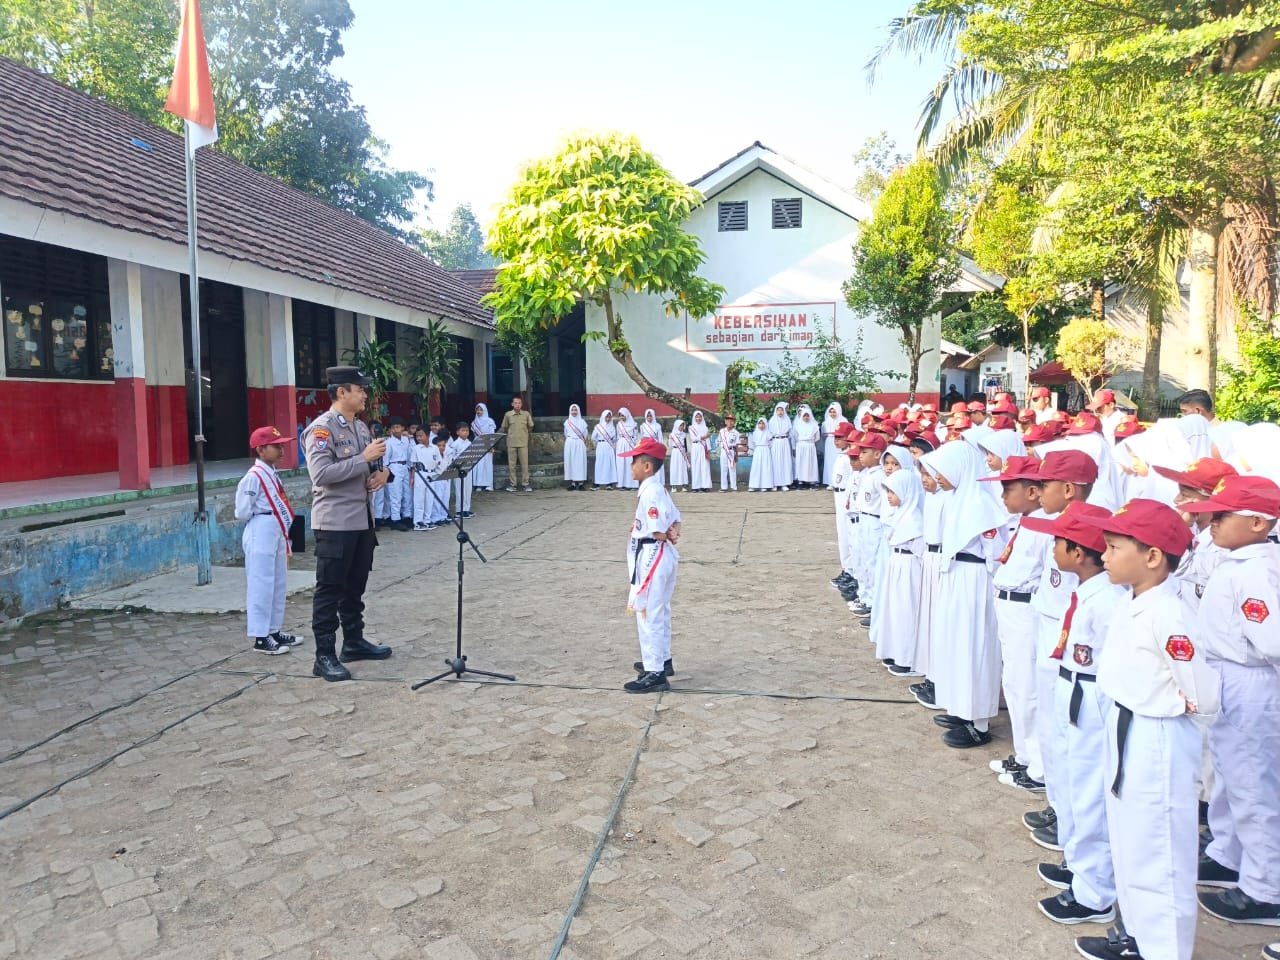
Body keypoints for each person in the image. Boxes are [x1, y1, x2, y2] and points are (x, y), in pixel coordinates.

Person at [1073, 499, 1218, 960]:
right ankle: (1137, 936)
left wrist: (1174, 715)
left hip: (1157, 732)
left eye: (1114, 547)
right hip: (1128, 724)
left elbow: (1202, 692)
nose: (1106, 554)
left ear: (1153, 556)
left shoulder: (1169, 614)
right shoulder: (1134, 601)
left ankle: (1165, 950)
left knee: (1160, 850)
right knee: (1132, 839)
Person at [1019, 502, 1127, 926]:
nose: (1052, 549)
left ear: (1078, 553)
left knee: (1089, 796)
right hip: (1072, 691)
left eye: (1058, 542)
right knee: (1070, 784)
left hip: (1093, 702)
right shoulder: (1087, 591)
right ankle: (1080, 868)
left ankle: (1094, 893)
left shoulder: (1109, 601)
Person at [1182, 476, 1280, 927]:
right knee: (1226, 774)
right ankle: (1228, 853)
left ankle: (1267, 887)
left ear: (1259, 522)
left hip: (1249, 679)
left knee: (1253, 786)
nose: (1213, 520)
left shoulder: (1256, 569)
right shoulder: (1237, 560)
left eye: (1224, 515)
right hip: (1229, 674)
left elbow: (1274, 643)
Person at [302, 366, 393, 682]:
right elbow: (322, 475)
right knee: (330, 589)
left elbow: (371, 468)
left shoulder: (362, 428)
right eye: (360, 389)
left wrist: (383, 475)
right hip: (335, 523)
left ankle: (353, 641)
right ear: (342, 392)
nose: (365, 394)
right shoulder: (321, 430)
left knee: (355, 586)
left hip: (361, 520)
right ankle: (323, 655)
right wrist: (363, 459)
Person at [919, 440, 1009, 748]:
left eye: (941, 471)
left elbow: (995, 553)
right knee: (955, 645)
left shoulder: (982, 505)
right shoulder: (957, 499)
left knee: (975, 649)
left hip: (975, 583)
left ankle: (979, 722)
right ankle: (961, 707)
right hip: (956, 578)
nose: (938, 477)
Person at [980, 454, 1049, 793]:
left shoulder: (1047, 526)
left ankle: (1038, 766)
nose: (1004, 495)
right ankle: (1024, 755)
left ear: (1034, 491)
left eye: (1010, 488)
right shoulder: (1027, 521)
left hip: (1026, 610)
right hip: (1010, 607)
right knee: (1016, 685)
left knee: (1029, 688)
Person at [619, 437, 682, 694]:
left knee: (647, 612)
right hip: (660, 553)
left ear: (647, 466)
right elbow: (676, 518)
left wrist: (660, 532)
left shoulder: (652, 491)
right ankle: (662, 659)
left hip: (652, 554)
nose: (631, 465)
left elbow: (658, 530)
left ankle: (654, 671)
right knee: (661, 609)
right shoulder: (657, 488)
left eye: (635, 461)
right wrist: (670, 530)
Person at [234, 425, 304, 656]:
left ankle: (273, 630)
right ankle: (260, 636)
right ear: (261, 450)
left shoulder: (271, 472)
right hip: (260, 527)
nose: (282, 450)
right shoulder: (253, 478)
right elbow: (242, 511)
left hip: (275, 528)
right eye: (277, 446)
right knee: (261, 583)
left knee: (278, 582)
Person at [379, 418, 413, 531]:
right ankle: (395, 519)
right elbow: (385, 460)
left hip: (405, 467)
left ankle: (407, 516)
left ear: (403, 428)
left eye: (398, 427)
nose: (395, 429)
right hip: (394, 467)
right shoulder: (388, 443)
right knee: (395, 494)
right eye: (393, 427)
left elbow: (409, 455)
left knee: (407, 493)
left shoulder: (406, 440)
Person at [500, 396, 535, 492]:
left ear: (521, 404)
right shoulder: (508, 415)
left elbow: (530, 426)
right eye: (515, 403)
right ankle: (513, 484)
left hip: (523, 443)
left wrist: (524, 434)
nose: (517, 405)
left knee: (524, 465)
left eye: (519, 403)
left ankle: (526, 484)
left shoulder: (526, 414)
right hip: (511, 442)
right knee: (512, 465)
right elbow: (505, 427)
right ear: (512, 404)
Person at [447, 422, 474, 519]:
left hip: (468, 468)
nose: (465, 432)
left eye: (467, 430)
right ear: (458, 432)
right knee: (460, 489)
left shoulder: (469, 442)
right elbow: (451, 457)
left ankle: (466, 508)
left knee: (468, 489)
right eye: (463, 430)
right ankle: (459, 510)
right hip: (458, 469)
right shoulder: (455, 444)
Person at [409, 427, 435, 530]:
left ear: (428, 436)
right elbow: (413, 464)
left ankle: (427, 520)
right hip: (420, 474)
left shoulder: (434, 448)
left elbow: (438, 461)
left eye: (421, 435)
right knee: (419, 498)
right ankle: (418, 521)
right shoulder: (416, 448)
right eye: (417, 436)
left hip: (431, 474)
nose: (418, 438)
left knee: (430, 498)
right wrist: (412, 477)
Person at [470, 403, 497, 491]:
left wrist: (491, 445)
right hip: (477, 444)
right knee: (478, 465)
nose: (479, 411)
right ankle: (478, 485)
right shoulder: (474, 423)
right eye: (477, 410)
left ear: (484, 410)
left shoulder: (490, 421)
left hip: (487, 444)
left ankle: (489, 484)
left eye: (481, 410)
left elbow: (492, 434)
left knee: (487, 464)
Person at [768, 403, 794, 490]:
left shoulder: (787, 420)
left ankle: (784, 483)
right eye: (778, 410)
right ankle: (775, 483)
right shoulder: (772, 420)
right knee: (775, 462)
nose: (780, 412)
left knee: (785, 462)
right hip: (775, 442)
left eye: (782, 410)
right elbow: (769, 434)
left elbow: (791, 433)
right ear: (776, 411)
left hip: (785, 442)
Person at [793, 406, 821, 488]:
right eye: (804, 415)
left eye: (807, 415)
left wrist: (810, 441)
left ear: (810, 416)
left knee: (811, 463)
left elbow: (817, 437)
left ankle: (812, 481)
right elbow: (795, 437)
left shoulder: (814, 426)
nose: (806, 417)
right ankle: (801, 481)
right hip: (801, 446)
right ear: (801, 416)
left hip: (810, 445)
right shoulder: (797, 426)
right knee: (801, 463)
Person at [821, 402, 848, 489]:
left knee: (839, 462)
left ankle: (840, 481)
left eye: (834, 411)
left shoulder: (843, 420)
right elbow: (823, 435)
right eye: (831, 412)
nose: (832, 414)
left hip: (840, 443)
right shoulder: (825, 423)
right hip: (829, 443)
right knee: (829, 462)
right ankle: (830, 482)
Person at [563, 404, 589, 491]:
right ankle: (573, 483)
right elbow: (566, 434)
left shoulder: (582, 422)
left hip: (580, 443)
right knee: (571, 462)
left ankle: (581, 483)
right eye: (572, 410)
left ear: (578, 411)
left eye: (575, 410)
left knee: (580, 462)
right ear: (570, 411)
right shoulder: (567, 423)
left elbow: (585, 434)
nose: (574, 412)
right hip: (570, 443)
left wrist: (579, 440)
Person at [639, 409, 665, 486]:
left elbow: (660, 439)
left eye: (651, 416)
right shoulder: (642, 426)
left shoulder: (657, 426)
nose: (649, 417)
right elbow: (642, 438)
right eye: (648, 416)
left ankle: (657, 483)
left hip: (655, 448)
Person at [592, 410, 617, 489]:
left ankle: (609, 484)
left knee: (609, 464)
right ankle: (597, 484)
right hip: (601, 446)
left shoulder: (612, 427)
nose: (608, 418)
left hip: (609, 446)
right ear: (603, 416)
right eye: (606, 416)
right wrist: (599, 443)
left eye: (609, 417)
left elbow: (614, 438)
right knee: (600, 464)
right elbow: (593, 437)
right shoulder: (598, 427)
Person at [615, 407, 639, 490]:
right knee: (621, 464)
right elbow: (617, 435)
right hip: (621, 445)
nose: (622, 417)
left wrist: (633, 443)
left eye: (623, 415)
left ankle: (633, 484)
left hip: (630, 445)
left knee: (630, 463)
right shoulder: (618, 424)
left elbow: (636, 435)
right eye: (620, 415)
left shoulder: (634, 424)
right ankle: (622, 484)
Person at [688, 411, 712, 491]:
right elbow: (693, 438)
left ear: (702, 417)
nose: (698, 418)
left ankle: (705, 486)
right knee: (696, 466)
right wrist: (704, 436)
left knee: (705, 466)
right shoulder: (691, 427)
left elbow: (707, 440)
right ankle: (696, 486)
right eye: (697, 417)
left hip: (704, 448)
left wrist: (708, 451)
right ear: (694, 418)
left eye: (700, 417)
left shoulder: (705, 428)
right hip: (695, 447)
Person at [748, 417, 773, 492]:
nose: (761, 425)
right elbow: (752, 444)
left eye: (763, 423)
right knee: (756, 468)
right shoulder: (755, 433)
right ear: (757, 424)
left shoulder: (768, 433)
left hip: (765, 451)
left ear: (765, 424)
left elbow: (771, 444)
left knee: (765, 468)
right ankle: (754, 485)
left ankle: (765, 485)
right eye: (760, 423)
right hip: (758, 451)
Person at [718, 414, 740, 491]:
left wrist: (736, 455)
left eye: (732, 420)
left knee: (732, 469)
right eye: (728, 420)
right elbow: (719, 442)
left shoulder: (736, 433)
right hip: (724, 451)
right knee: (723, 469)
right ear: (725, 421)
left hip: (732, 451)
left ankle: (734, 487)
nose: (730, 422)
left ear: (734, 422)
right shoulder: (722, 431)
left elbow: (737, 445)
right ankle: (724, 487)